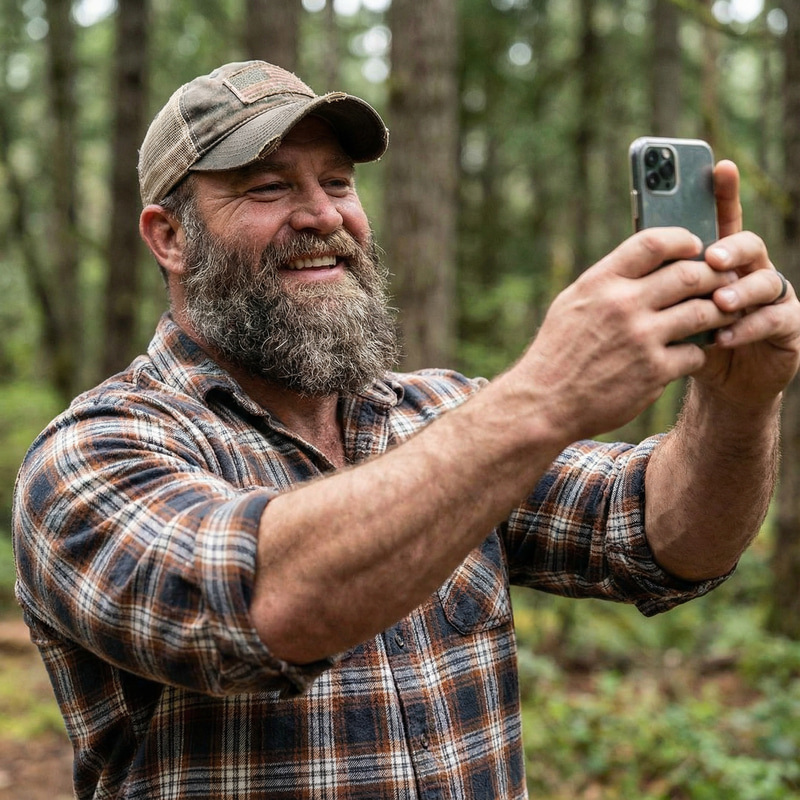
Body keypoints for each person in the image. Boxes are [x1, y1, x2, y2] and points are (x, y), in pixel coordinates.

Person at [12, 60, 800, 800]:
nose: (323, 215)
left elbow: (666, 538)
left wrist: (738, 403)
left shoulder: (443, 415)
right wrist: (543, 398)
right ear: (170, 237)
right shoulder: (92, 453)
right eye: (266, 187)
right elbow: (258, 607)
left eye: (338, 182)